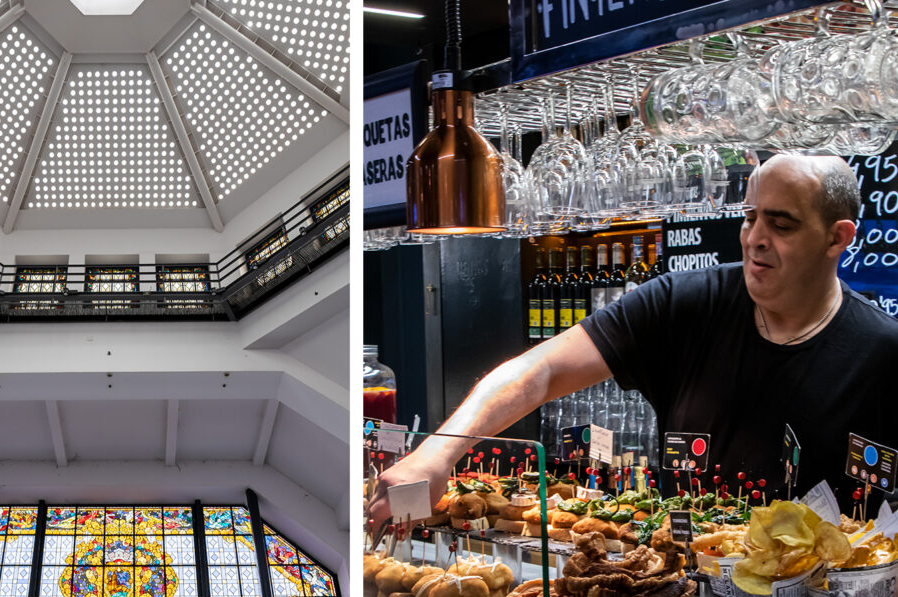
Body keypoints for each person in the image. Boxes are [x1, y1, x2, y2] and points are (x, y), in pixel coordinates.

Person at [368, 153, 898, 529]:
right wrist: (436, 456)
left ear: (839, 237)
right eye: (750, 217)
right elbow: (540, 371)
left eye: (781, 224)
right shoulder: (685, 304)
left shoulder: (880, 351)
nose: (755, 237)